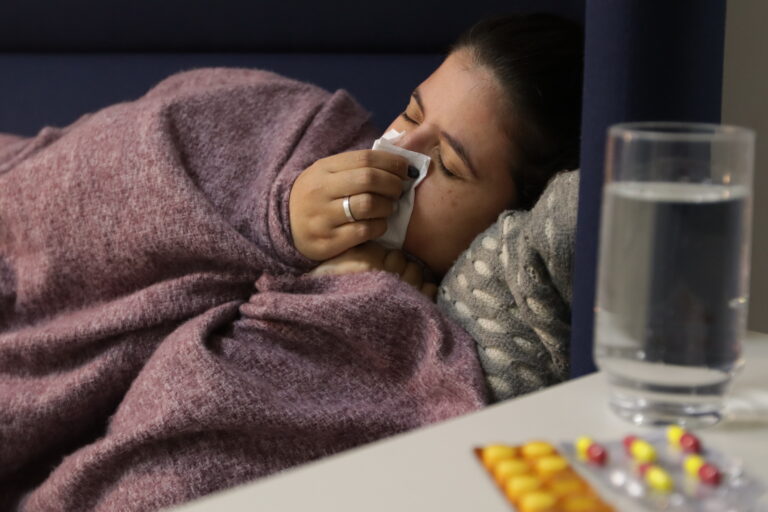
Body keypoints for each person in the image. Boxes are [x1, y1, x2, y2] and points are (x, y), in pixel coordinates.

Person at [293, 13, 583, 296]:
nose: (399, 150)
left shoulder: (453, 334)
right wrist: (285, 224)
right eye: (411, 115)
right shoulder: (311, 129)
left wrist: (342, 296)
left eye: (448, 165)